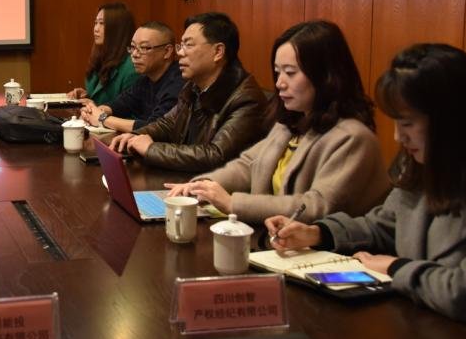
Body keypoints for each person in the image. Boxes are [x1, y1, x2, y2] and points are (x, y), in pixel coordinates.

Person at [266, 44, 466, 334]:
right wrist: (317, 233)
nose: (398, 136)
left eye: (407, 124)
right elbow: (383, 225)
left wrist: (395, 268)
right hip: (421, 330)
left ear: (450, 121)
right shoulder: (424, 165)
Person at [167, 20, 389, 223]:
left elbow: (317, 206)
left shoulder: (352, 138)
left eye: (290, 73)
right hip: (276, 238)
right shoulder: (291, 123)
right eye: (277, 72)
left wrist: (232, 203)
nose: (280, 83)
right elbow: (247, 165)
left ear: (326, 76)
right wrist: (202, 186)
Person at [110, 12, 266, 172]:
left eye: (188, 45)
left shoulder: (246, 99)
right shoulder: (193, 86)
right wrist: (136, 136)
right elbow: (167, 124)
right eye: (181, 45)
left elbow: (215, 155)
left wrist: (151, 149)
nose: (180, 53)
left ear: (218, 52)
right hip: (187, 179)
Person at [80, 21, 183, 133]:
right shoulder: (146, 79)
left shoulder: (179, 81)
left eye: (144, 48)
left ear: (167, 51)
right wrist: (94, 111)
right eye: (133, 47)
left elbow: (155, 127)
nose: (134, 54)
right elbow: (122, 104)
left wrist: (103, 119)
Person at [66, 2, 138, 105]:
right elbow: (103, 98)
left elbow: (129, 110)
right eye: (96, 23)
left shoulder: (132, 67)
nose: (96, 29)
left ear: (117, 28)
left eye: (102, 23)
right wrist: (87, 96)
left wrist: (95, 106)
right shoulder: (100, 57)